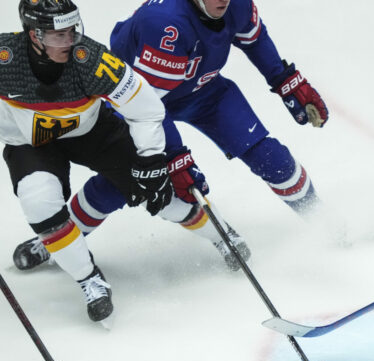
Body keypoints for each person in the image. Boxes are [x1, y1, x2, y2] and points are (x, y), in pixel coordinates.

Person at [12, 0, 329, 273]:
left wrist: (285, 80)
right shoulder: (165, 25)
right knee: (127, 181)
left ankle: (324, 221)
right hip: (135, 102)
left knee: (269, 156)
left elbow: (255, 40)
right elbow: (146, 106)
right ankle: (57, 241)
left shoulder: (237, 4)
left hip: (204, 91)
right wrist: (175, 157)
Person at [1, 0, 174, 324]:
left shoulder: (89, 58)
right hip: (29, 143)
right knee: (39, 204)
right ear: (34, 35)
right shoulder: (4, 58)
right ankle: (89, 279)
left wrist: (152, 157)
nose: (70, 41)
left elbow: (146, 107)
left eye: (73, 30)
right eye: (59, 35)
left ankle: (222, 237)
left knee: (160, 191)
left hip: (91, 131)